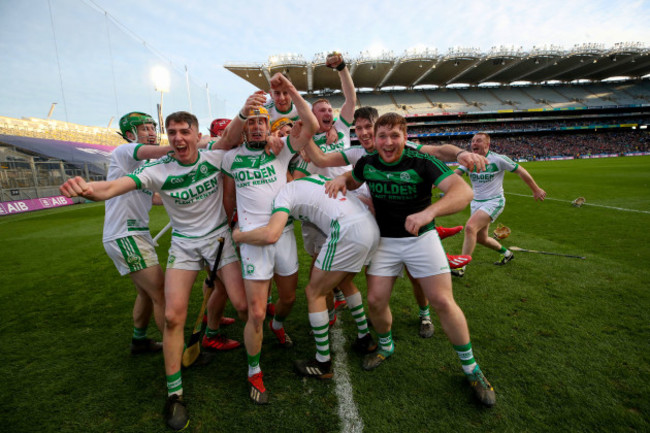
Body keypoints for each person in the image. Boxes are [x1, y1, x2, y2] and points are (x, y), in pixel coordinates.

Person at [60, 106, 258, 431]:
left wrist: (243, 114)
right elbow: (111, 187)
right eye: (173, 132)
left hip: (219, 240)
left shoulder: (215, 158)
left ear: (197, 135)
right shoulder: (156, 170)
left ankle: (254, 369)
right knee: (170, 315)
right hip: (183, 244)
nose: (179, 138)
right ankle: (175, 393)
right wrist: (87, 190)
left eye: (185, 131)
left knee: (242, 307)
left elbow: (235, 142)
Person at [325, 112, 496, 407]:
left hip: (422, 239)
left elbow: (463, 191)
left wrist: (428, 212)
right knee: (376, 301)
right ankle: (386, 346)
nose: (388, 143)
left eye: (394, 136)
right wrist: (341, 177)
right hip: (385, 241)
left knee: (443, 301)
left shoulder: (421, 161)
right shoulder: (368, 162)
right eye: (382, 136)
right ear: (374, 139)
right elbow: (353, 180)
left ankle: (472, 369)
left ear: (405, 137)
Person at [304, 105, 484, 338]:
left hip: (408, 224)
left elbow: (438, 151)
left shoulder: (407, 149)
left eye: (369, 126)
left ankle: (424, 312)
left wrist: (460, 154)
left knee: (417, 278)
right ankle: (376, 318)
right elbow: (333, 165)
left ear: (380, 125)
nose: (364, 132)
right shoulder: (357, 155)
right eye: (358, 128)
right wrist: (307, 134)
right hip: (377, 228)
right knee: (373, 286)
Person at [221, 72, 318, 405]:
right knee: (255, 313)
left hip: (284, 235)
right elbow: (229, 198)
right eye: (252, 123)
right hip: (251, 243)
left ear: (270, 126)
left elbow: (311, 125)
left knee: (288, 300)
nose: (258, 127)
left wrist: (289, 89)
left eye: (263, 123)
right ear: (245, 128)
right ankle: (253, 370)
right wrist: (228, 222)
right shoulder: (231, 158)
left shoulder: (280, 151)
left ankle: (279, 324)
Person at [232, 174, 379, 379]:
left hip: (347, 229)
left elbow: (272, 234)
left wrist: (239, 235)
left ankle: (322, 362)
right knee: (345, 282)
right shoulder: (315, 178)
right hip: (370, 226)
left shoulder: (284, 193)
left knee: (314, 292)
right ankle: (364, 337)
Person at [106, 112, 171, 355]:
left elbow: (152, 197)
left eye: (152, 127)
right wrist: (189, 143)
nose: (151, 132)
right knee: (160, 292)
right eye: (144, 129)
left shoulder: (143, 165)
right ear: (130, 134)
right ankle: (176, 350)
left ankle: (139, 341)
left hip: (134, 234)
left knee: (145, 292)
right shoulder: (125, 153)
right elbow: (155, 152)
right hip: (125, 235)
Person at [452, 132, 546, 277]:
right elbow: (454, 174)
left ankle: (461, 266)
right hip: (476, 203)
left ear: (487, 144)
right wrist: (434, 182)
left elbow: (520, 171)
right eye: (472, 141)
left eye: (478, 141)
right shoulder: (470, 160)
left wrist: (536, 189)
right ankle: (507, 253)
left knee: (470, 228)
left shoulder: (498, 159)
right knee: (481, 238)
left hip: (494, 201)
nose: (474, 144)